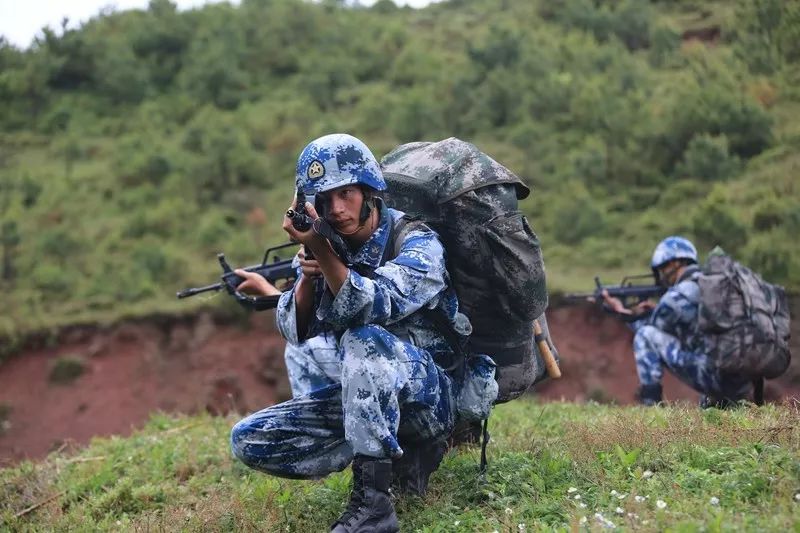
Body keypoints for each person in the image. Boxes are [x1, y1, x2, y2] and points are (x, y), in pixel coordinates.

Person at [229, 133, 473, 533]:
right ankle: (379, 454)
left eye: (347, 194)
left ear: (369, 191)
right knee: (250, 438)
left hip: (431, 399)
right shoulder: (327, 243)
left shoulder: (415, 241)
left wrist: (324, 257)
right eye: (325, 199)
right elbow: (296, 330)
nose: (338, 209)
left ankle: (376, 505)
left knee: (363, 339)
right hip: (369, 392)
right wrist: (310, 266)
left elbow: (374, 305)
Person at [602, 236, 752, 407]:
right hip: (741, 377)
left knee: (645, 336)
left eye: (663, 268)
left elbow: (650, 330)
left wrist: (621, 312)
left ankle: (651, 404)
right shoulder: (710, 286)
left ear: (675, 264)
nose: (662, 275)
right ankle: (724, 405)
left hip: (713, 375)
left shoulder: (678, 295)